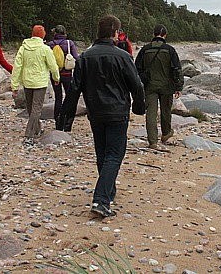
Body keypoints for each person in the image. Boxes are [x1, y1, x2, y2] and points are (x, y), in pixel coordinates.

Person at [60, 14, 144, 218]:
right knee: (114, 155)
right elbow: (137, 85)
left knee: (103, 153)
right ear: (115, 32)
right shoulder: (122, 56)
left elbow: (74, 89)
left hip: (96, 112)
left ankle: (108, 191)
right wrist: (139, 107)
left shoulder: (86, 57)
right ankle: (101, 200)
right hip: (117, 112)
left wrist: (66, 116)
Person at [134, 24, 184, 148]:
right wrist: (178, 86)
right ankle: (166, 133)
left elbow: (136, 69)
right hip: (167, 86)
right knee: (166, 111)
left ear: (153, 34)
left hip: (150, 86)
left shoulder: (145, 49)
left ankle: (152, 141)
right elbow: (177, 69)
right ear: (165, 35)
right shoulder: (170, 50)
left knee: (151, 113)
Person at [11, 25, 60, 144]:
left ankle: (37, 129)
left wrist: (15, 85)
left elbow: (17, 67)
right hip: (40, 82)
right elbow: (53, 65)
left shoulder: (24, 48)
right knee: (36, 109)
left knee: (30, 108)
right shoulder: (45, 49)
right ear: (42, 35)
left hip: (27, 82)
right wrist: (56, 77)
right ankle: (29, 134)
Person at [47, 24, 79, 131]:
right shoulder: (69, 44)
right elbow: (76, 58)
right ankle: (67, 123)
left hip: (55, 75)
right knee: (69, 98)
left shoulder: (50, 44)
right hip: (67, 75)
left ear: (55, 33)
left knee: (58, 97)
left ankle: (58, 122)